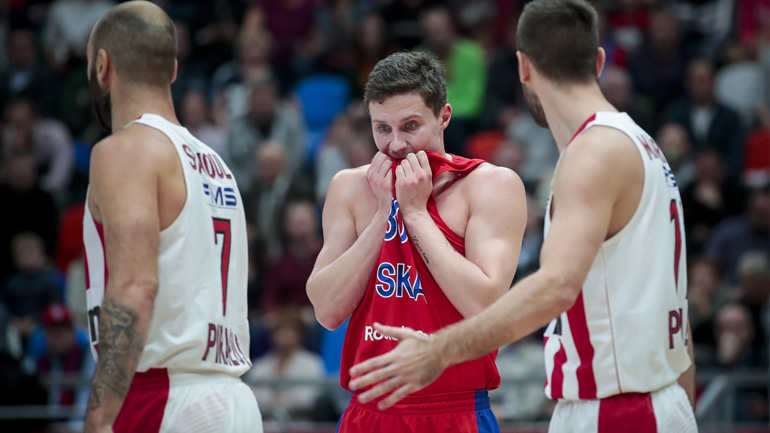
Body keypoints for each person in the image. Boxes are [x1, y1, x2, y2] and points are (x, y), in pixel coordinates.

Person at [349, 1, 698, 432]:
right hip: (659, 398)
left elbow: (556, 287)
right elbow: (678, 308)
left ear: (523, 67)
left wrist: (440, 350)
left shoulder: (592, 151)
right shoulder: (644, 145)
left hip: (619, 406)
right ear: (600, 61)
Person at [307, 51, 527, 431]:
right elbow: (326, 310)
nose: (395, 145)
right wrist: (382, 215)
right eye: (382, 129)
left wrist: (415, 213)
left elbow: (484, 306)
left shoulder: (491, 185)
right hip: (368, 411)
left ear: (443, 116)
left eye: (410, 126)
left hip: (455, 407)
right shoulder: (349, 186)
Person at [82, 2, 261, 432]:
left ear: (102, 66)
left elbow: (135, 285)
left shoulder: (124, 150)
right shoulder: (214, 162)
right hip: (234, 397)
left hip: (160, 396)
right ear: (174, 70)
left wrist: (100, 414)